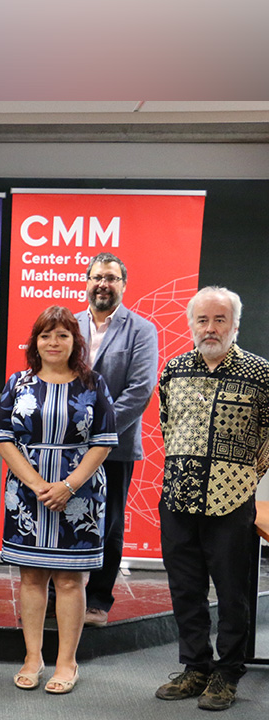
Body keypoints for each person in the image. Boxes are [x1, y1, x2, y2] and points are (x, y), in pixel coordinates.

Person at [154, 286, 269, 711]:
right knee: (185, 588)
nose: (210, 328)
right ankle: (195, 667)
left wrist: (244, 475)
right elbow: (167, 422)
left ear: (235, 324)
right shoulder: (175, 369)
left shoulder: (260, 373)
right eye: (202, 320)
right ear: (191, 324)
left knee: (233, 591)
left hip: (231, 500)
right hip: (178, 497)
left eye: (220, 319)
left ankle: (228, 672)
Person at [0, 305, 116, 695]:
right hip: (27, 497)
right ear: (36, 341)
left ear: (74, 341)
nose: (53, 342)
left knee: (69, 579)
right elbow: (2, 437)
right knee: (31, 577)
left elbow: (104, 441)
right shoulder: (18, 382)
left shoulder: (94, 384)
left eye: (62, 335)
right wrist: (35, 484)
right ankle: (33, 658)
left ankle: (67, 662)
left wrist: (68, 485)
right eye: (46, 335)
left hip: (79, 496)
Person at [76, 252, 158, 627]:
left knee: (107, 523)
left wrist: (99, 431)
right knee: (64, 519)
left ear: (123, 285)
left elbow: (140, 389)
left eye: (111, 278)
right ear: (87, 282)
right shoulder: (70, 324)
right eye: (97, 277)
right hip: (66, 446)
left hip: (114, 446)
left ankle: (97, 600)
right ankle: (60, 592)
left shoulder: (140, 329)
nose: (103, 284)